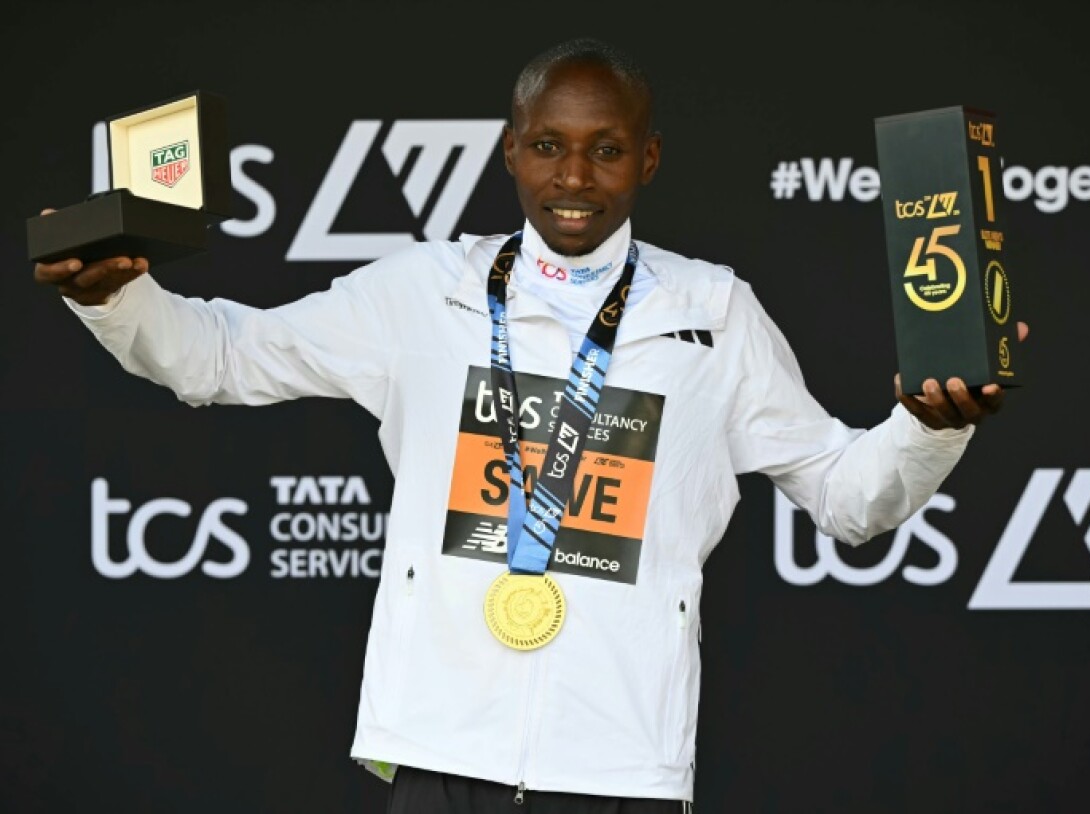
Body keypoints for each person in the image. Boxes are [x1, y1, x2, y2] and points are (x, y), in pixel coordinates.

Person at [35, 37, 1025, 814]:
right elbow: (219, 358)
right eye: (549, 146)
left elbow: (848, 496)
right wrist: (117, 300)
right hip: (438, 747)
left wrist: (928, 425)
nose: (575, 177)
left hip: (623, 762)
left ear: (648, 157)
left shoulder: (713, 310)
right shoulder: (426, 289)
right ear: (512, 150)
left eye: (605, 150)